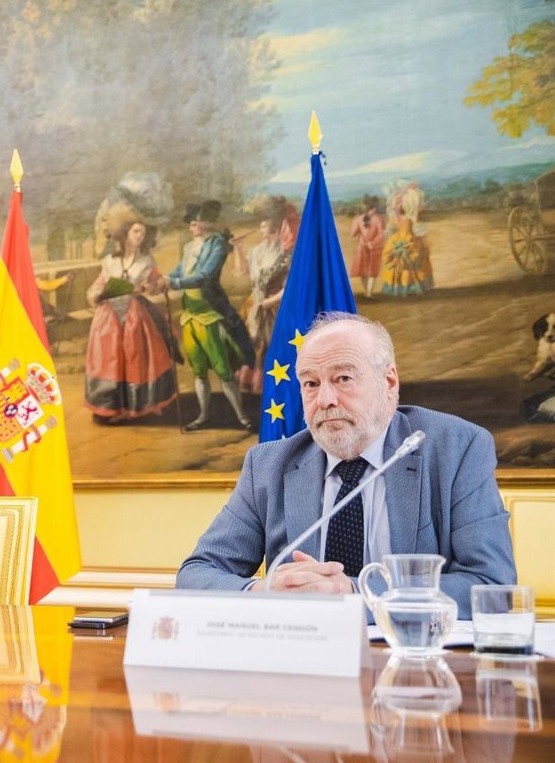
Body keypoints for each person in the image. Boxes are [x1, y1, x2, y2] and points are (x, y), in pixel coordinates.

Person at [176, 312, 516, 617]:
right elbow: (196, 573)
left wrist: (353, 593)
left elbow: (492, 585)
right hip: (303, 656)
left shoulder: (456, 448)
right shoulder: (268, 465)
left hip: (409, 654)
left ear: (389, 382)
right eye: (311, 384)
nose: (325, 400)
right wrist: (262, 591)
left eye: (343, 379)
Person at [167, 200, 256, 431]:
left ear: (206, 223)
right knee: (198, 372)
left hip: (211, 314)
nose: (190, 227)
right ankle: (203, 416)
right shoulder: (189, 247)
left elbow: (204, 276)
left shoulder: (217, 244)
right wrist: (162, 281)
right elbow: (178, 272)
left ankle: (242, 417)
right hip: (190, 316)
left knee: (223, 369)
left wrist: (174, 283)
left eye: (194, 223)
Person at [84, 221, 180, 423]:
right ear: (125, 234)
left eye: (143, 233)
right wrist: (95, 294)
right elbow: (99, 284)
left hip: (134, 315)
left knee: (136, 357)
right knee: (110, 359)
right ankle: (111, 407)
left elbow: (155, 285)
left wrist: (157, 285)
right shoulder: (109, 261)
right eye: (136, 231)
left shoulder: (146, 261)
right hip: (109, 316)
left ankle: (140, 405)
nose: (140, 236)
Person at [233, 198, 295, 395]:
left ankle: (272, 389)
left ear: (276, 229)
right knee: (251, 343)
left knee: (270, 345)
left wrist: (270, 302)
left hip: (274, 306)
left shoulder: (286, 253)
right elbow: (242, 271)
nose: (260, 229)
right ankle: (251, 384)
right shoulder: (257, 251)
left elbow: (291, 287)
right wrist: (238, 248)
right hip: (254, 304)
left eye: (264, 226)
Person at [380, 183, 434, 297]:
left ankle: (405, 288)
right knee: (410, 266)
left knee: (408, 266)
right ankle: (410, 288)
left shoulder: (402, 219)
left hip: (404, 242)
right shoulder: (408, 220)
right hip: (404, 242)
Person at [349, 194, 385, 299]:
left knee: (363, 271)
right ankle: (369, 293)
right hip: (374, 248)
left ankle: (367, 292)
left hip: (362, 247)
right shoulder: (379, 218)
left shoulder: (359, 219)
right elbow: (382, 234)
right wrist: (372, 243)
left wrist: (355, 221)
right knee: (372, 271)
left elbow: (353, 233)